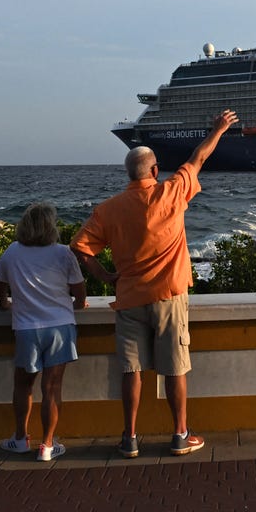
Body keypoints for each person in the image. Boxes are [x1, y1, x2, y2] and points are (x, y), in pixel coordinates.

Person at [71, 109, 238, 458]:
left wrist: (104, 275)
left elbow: (80, 248)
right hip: (168, 296)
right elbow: (198, 157)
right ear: (154, 171)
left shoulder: (108, 209)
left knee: (131, 371)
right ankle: (180, 434)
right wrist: (219, 128)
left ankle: (129, 438)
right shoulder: (172, 193)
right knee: (175, 368)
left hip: (130, 298)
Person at [0, 203, 87, 462]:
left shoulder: (13, 252)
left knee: (23, 386)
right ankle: (47, 445)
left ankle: (21, 437)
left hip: (26, 329)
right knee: (52, 388)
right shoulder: (62, 253)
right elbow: (79, 294)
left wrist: (4, 303)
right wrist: (77, 305)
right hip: (59, 328)